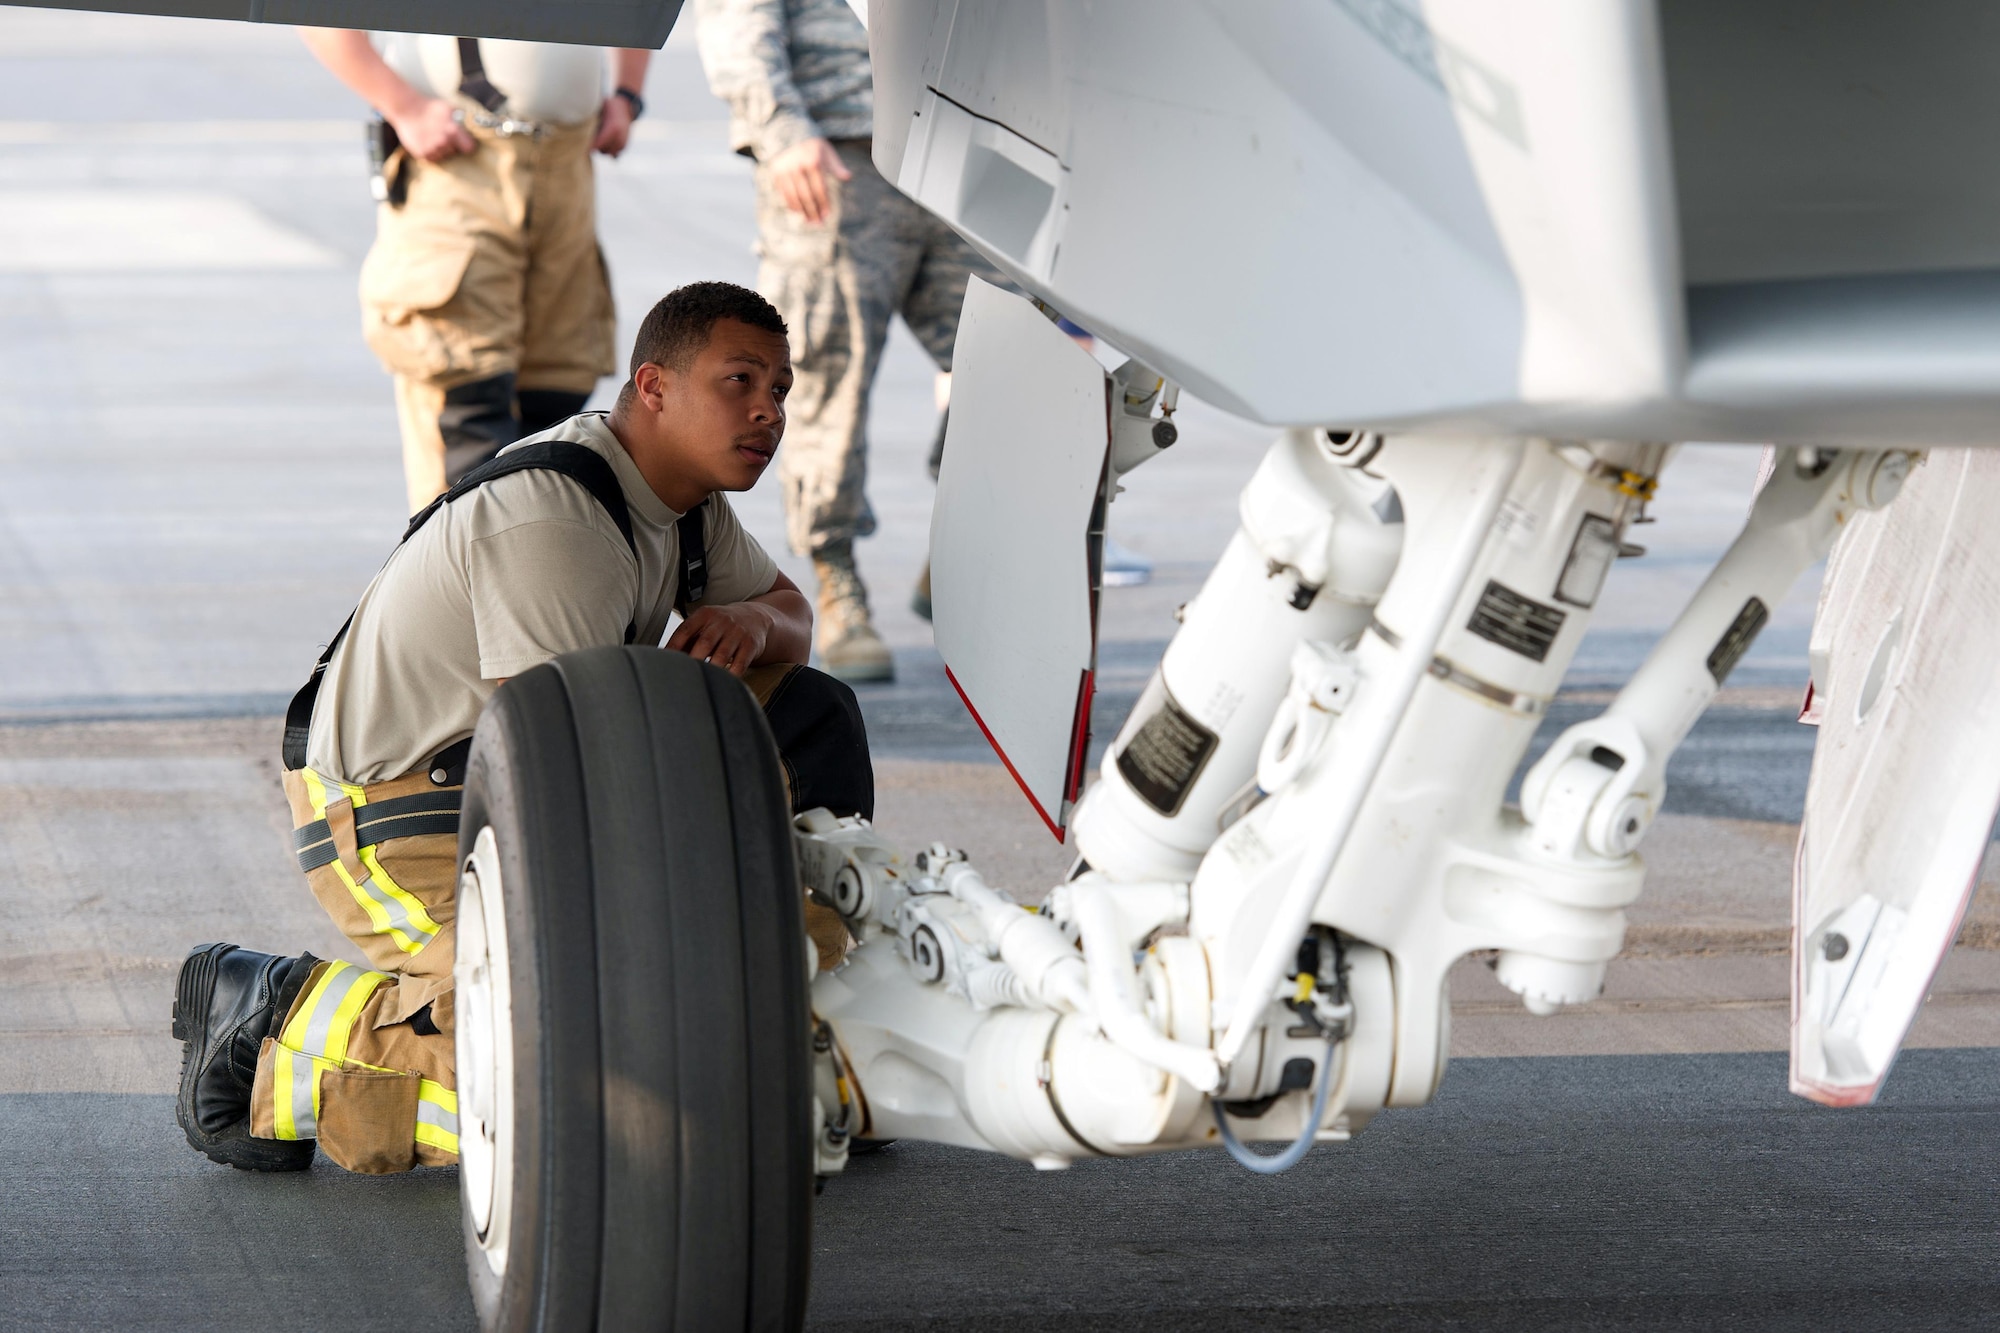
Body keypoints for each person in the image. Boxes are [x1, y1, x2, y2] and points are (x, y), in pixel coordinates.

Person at [171, 282, 873, 1175]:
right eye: (741, 381)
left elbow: (788, 616)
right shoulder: (558, 518)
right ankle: (274, 1025)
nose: (769, 410)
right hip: (400, 819)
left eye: (780, 388)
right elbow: (555, 776)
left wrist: (753, 626)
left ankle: (790, 1009)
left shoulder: (680, 496)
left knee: (806, 711)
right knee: (624, 1108)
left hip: (535, 775)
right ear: (653, 387)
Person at [694, 0, 1004, 682]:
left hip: (962, 152)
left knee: (1011, 362)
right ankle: (838, 583)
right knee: (828, 383)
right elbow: (735, 22)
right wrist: (782, 133)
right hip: (837, 163)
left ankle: (959, 542)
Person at [300, 29, 653, 514]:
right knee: (467, 398)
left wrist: (627, 94)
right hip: (459, 158)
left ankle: (537, 574)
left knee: (557, 398)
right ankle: (461, 579)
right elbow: (316, 15)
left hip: (567, 161)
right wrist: (403, 106)